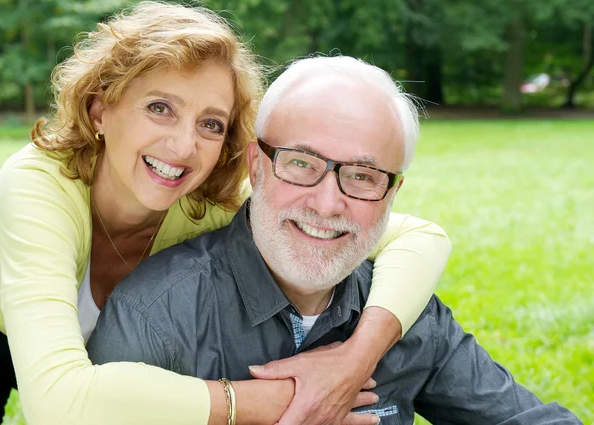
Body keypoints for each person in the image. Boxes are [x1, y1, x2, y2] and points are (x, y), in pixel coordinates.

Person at [0, 3, 452, 425]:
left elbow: (421, 237)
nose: (183, 146)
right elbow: (57, 402)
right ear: (100, 109)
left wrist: (354, 361)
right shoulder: (39, 184)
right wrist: (281, 400)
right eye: (160, 108)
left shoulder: (207, 199)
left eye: (211, 124)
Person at [88, 55, 583, 425]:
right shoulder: (156, 316)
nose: (327, 205)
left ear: (392, 194)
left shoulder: (404, 311)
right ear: (256, 167)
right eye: (301, 164)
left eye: (363, 176)